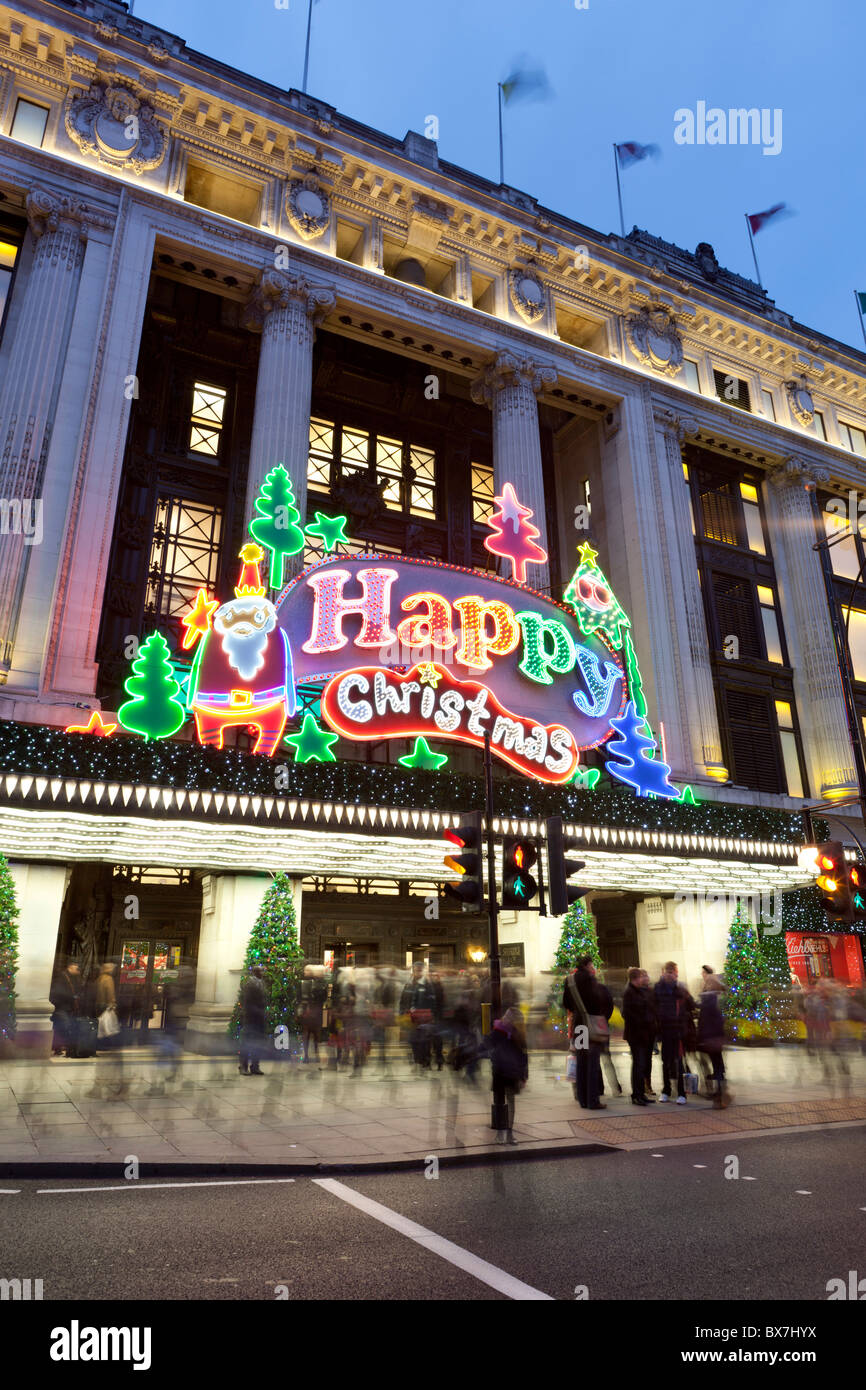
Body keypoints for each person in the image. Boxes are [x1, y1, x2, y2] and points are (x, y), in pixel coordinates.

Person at [562, 954, 607, 1110]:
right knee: (593, 1063)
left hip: (578, 1025)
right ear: (588, 965)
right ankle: (592, 1100)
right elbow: (597, 1001)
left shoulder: (569, 980)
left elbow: (565, 1002)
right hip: (591, 1024)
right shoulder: (590, 979)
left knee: (581, 1061)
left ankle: (582, 1099)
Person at [653, 961, 695, 1104]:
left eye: (672, 972)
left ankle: (681, 1093)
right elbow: (654, 1006)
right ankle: (666, 1090)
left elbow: (691, 1005)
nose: (670, 975)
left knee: (679, 1063)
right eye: (668, 972)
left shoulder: (680, 989)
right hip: (665, 1030)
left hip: (677, 1031)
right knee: (666, 1062)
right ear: (663, 973)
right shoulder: (658, 988)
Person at [487, 1006, 528, 1144]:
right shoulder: (498, 1032)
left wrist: (523, 1076)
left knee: (507, 1103)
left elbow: (523, 1056)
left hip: (508, 1074)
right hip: (501, 1073)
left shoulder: (515, 1034)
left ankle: (507, 1133)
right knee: (503, 1103)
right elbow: (488, 1047)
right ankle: (503, 1133)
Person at [622, 966, 657, 1106]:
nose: (644, 979)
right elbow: (628, 1014)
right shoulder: (629, 992)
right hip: (636, 1034)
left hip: (646, 1033)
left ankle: (641, 1094)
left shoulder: (641, 991)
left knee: (642, 1065)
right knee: (638, 1064)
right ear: (635, 979)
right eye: (641, 977)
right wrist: (643, 1021)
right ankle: (636, 1095)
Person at [697, 973, 729, 1107]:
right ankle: (721, 1093)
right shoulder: (717, 999)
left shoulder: (709, 999)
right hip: (715, 1037)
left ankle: (720, 1096)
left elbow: (706, 1020)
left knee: (716, 1065)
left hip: (711, 1037)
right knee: (718, 1065)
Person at [401, 962, 437, 1069]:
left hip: (424, 1017)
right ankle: (418, 1060)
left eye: (420, 970)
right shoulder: (408, 984)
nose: (418, 972)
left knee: (424, 1040)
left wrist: (432, 1015)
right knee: (413, 1039)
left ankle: (425, 1060)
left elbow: (432, 1001)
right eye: (416, 970)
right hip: (411, 1017)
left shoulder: (427, 984)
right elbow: (403, 1000)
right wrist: (402, 1013)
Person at [239, 964, 267, 1075]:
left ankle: (255, 1066)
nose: (262, 973)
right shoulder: (250, 984)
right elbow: (248, 1002)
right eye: (260, 972)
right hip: (251, 1018)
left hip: (259, 1017)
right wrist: (257, 1011)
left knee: (258, 1042)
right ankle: (243, 1066)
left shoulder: (261, 983)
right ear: (255, 972)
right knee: (247, 1042)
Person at [49, 960, 82, 1057]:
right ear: (70, 967)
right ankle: (59, 1047)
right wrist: (73, 997)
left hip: (65, 1006)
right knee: (64, 1026)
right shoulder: (62, 977)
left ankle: (59, 1047)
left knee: (61, 1027)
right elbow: (60, 992)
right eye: (76, 968)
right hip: (60, 1006)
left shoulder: (70, 977)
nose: (78, 971)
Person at [300, 964, 327, 1064]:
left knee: (309, 1034)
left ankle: (308, 1055)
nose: (304, 972)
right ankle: (314, 1055)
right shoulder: (320, 984)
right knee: (314, 1034)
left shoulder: (310, 983)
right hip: (314, 1011)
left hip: (310, 1011)